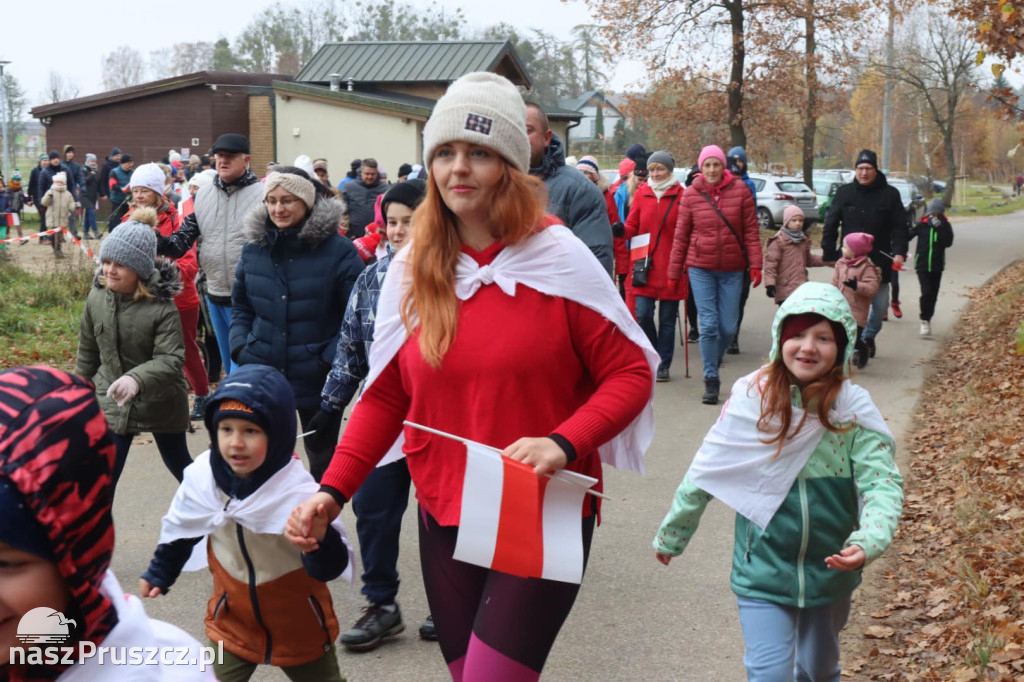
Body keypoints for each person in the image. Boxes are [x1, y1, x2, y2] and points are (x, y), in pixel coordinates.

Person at [286, 71, 658, 681]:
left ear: (510, 164)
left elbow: (629, 373)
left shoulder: (558, 259)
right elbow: (385, 397)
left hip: (541, 505)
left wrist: (563, 442)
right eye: (446, 153)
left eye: (479, 152)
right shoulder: (414, 268)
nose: (459, 168)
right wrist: (332, 492)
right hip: (445, 504)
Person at [653, 282, 903, 682]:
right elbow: (708, 468)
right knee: (768, 674)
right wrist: (674, 533)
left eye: (823, 337)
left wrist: (867, 541)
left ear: (841, 346)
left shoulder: (851, 408)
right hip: (762, 568)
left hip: (830, 569)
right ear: (779, 339)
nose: (808, 346)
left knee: (819, 670)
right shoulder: (754, 396)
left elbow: (882, 484)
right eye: (798, 334)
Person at [0, 366, 216, 681]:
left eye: (6, 563)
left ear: (78, 556)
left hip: (152, 407)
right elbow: (88, 356)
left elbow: (171, 357)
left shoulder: (171, 670)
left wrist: (137, 380)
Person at [138, 364, 351, 682]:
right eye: (226, 430)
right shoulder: (203, 478)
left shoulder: (297, 492)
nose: (236, 443)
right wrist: (161, 570)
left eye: (250, 431)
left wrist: (318, 541)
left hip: (299, 622)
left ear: (277, 435)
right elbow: (185, 527)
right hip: (232, 617)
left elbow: (329, 569)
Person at [305, 180, 437, 651]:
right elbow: (351, 348)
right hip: (384, 418)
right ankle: (381, 602)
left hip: (440, 419)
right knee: (374, 510)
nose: (400, 232)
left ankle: (451, 597)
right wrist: (331, 402)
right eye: (393, 223)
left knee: (440, 512)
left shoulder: (454, 277)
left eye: (410, 222)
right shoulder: (372, 278)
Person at [230, 167, 364, 482]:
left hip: (318, 378)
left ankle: (322, 528)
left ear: (306, 203)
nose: (278, 209)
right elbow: (241, 304)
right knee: (263, 463)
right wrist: (241, 347)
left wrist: (327, 359)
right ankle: (271, 529)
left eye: (287, 200)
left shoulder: (339, 251)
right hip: (263, 371)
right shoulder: (253, 249)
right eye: (272, 201)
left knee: (323, 467)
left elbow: (356, 315)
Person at [75, 218, 192, 491]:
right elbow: (88, 350)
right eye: (107, 262)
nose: (110, 270)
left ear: (139, 269)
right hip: (112, 398)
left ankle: (218, 518)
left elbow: (171, 359)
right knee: (104, 478)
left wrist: (136, 380)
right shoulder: (96, 297)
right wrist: (76, 393)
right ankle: (96, 533)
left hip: (161, 401)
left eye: (120, 264)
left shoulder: (162, 307)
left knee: (183, 469)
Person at [158, 133, 265, 377]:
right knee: (229, 363)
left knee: (246, 364)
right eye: (219, 156)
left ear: (246, 160)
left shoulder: (263, 195)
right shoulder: (202, 196)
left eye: (230, 157)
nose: (223, 161)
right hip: (214, 292)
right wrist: (157, 242)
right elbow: (182, 241)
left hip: (250, 298)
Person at [667, 144, 763, 405]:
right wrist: (674, 272)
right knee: (708, 325)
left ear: (724, 167)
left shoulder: (741, 191)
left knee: (728, 327)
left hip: (732, 268)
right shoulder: (691, 195)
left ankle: (715, 356)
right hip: (701, 267)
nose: (711, 169)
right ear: (701, 167)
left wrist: (756, 264)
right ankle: (711, 378)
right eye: (707, 165)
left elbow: (751, 232)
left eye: (716, 164)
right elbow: (681, 236)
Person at [124, 164, 211, 419]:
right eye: (135, 191)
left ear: (158, 194)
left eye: (145, 191)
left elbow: (188, 264)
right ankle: (151, 397)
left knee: (185, 351)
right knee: (143, 348)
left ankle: (203, 394)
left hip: (179, 300)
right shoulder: (127, 218)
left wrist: (155, 273)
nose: (139, 196)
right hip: (141, 298)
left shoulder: (177, 220)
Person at [821, 149, 907, 360]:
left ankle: (868, 336)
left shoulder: (890, 195)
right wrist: (828, 251)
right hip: (850, 262)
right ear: (855, 170)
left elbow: (900, 227)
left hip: (879, 261)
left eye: (868, 169)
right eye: (860, 168)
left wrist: (899, 252)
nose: (864, 173)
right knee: (849, 306)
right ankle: (855, 343)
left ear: (876, 170)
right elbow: (831, 223)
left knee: (878, 308)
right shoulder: (845, 193)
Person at [525, 102, 615, 276]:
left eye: (528, 130)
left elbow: (595, 269)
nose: (519, 137)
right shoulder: (488, 186)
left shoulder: (579, 191)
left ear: (546, 138)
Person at [623, 150, 687, 382]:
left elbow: (688, 230)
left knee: (668, 320)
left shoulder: (682, 196)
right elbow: (632, 226)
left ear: (670, 170)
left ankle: (664, 364)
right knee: (642, 314)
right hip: (645, 266)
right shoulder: (641, 194)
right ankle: (653, 356)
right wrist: (621, 231)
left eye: (660, 168)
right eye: (652, 169)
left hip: (672, 266)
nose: (655, 173)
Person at [831, 232, 881, 369]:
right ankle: (838, 363)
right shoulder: (841, 263)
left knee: (852, 339)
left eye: (845, 247)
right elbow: (834, 282)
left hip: (857, 311)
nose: (842, 249)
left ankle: (863, 349)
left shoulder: (866, 267)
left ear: (855, 251)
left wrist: (857, 286)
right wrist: (830, 294)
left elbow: (872, 288)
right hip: (840, 308)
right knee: (838, 336)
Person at [726, 146, 756, 355]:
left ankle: (733, 335)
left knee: (739, 297)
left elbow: (751, 221)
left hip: (742, 249)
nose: (738, 164)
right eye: (734, 161)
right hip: (725, 251)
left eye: (741, 161)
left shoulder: (749, 185)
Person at [763, 205, 826, 305]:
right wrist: (770, 284)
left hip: (802, 287)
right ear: (786, 221)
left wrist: (827, 260)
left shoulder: (803, 240)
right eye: (794, 220)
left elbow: (808, 260)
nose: (798, 223)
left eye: (800, 220)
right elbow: (770, 264)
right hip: (785, 289)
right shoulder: (779, 241)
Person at [909, 198, 954, 336]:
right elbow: (908, 235)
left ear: (941, 214)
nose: (933, 217)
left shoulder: (945, 225)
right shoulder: (922, 225)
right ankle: (924, 320)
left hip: (937, 266)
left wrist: (939, 228)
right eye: (931, 214)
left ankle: (928, 318)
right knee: (926, 292)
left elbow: (948, 242)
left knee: (933, 295)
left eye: (936, 214)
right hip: (922, 265)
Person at [341, 158, 388, 238]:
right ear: (361, 172)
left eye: (373, 174)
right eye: (367, 173)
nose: (370, 177)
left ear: (377, 173)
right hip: (354, 235)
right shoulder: (349, 187)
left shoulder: (385, 189)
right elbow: (343, 212)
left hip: (378, 235)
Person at [41, 171, 79, 258]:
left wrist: (76, 206)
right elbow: (44, 202)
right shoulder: (50, 192)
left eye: (61, 182)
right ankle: (55, 249)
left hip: (62, 220)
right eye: (58, 182)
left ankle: (58, 250)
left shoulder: (68, 194)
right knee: (51, 236)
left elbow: (71, 206)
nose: (59, 183)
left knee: (59, 237)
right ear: (55, 182)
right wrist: (48, 196)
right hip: (52, 219)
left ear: (64, 183)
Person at [107, 153, 134, 232]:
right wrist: (122, 189)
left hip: (129, 202)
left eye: (131, 163)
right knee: (116, 219)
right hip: (117, 201)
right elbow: (112, 185)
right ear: (123, 163)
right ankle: (112, 233)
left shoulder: (133, 172)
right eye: (129, 163)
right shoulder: (114, 172)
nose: (131, 165)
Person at [80, 153, 101, 239]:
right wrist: (91, 175)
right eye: (91, 161)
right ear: (87, 162)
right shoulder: (83, 170)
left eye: (94, 161)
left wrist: (101, 193)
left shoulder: (96, 171)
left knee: (89, 215)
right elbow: (84, 181)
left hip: (93, 196)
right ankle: (96, 231)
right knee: (91, 212)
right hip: (84, 196)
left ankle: (85, 233)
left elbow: (98, 183)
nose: (93, 163)